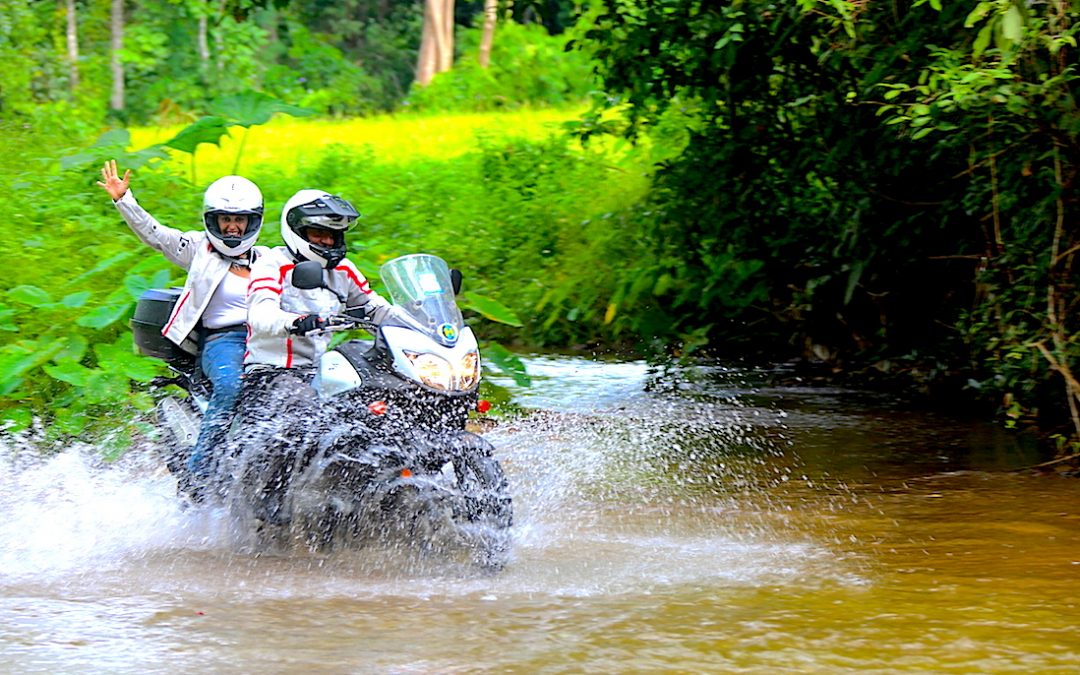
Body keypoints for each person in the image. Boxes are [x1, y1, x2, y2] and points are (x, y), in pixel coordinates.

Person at [97, 160, 267, 498]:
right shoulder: (199, 250)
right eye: (225, 220)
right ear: (213, 221)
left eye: (239, 220)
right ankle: (200, 469)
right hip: (223, 340)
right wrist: (124, 199)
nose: (232, 228)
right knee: (231, 385)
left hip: (267, 339)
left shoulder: (268, 259)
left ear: (252, 222)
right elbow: (156, 235)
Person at [237, 189, 393, 523]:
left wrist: (419, 322)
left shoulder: (344, 270)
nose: (326, 240)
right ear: (297, 231)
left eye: (332, 234)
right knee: (303, 414)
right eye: (317, 233)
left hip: (322, 370)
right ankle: (268, 497)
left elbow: (373, 307)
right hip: (272, 372)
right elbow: (259, 314)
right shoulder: (271, 265)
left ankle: (358, 494)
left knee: (370, 411)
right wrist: (293, 322)